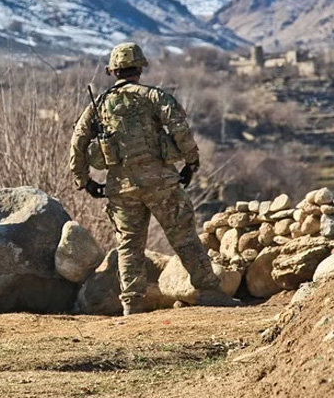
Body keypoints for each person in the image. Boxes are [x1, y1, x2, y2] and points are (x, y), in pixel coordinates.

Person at [68, 43, 239, 315]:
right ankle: (210, 292)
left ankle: (132, 303)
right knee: (184, 237)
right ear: (140, 68)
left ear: (113, 71)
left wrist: (84, 180)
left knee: (129, 246)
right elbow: (180, 129)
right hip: (162, 183)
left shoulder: (99, 104)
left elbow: (78, 142)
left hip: (121, 188)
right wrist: (191, 162)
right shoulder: (154, 96)